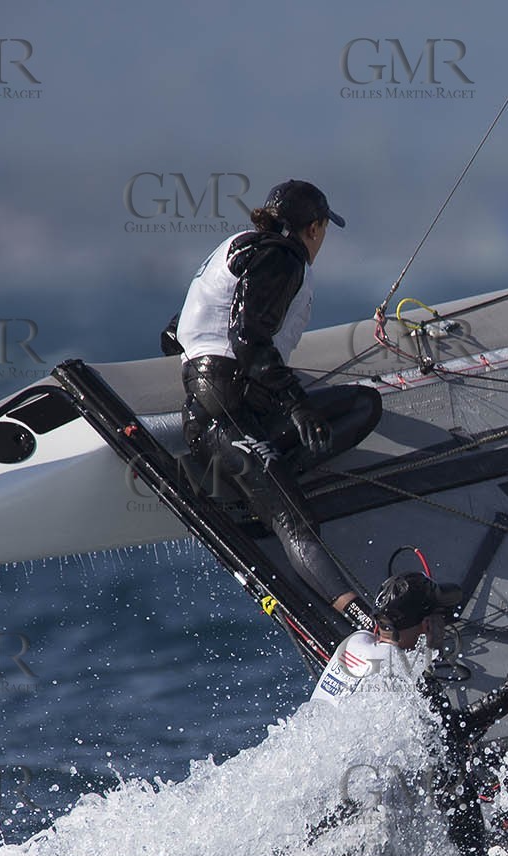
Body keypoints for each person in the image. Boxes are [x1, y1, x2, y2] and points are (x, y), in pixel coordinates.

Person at [169, 179, 385, 632]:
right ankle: (368, 624)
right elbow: (247, 339)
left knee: (363, 405)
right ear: (315, 227)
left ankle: (258, 478)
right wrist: (297, 404)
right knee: (295, 520)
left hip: (239, 401)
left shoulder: (240, 247)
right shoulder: (281, 257)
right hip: (222, 409)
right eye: (325, 230)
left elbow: (176, 332)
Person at [311, 571, 508, 856]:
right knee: (451, 770)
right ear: (425, 625)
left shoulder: (357, 643)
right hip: (359, 835)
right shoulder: (409, 677)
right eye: (441, 617)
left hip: (318, 814)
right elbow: (455, 733)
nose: (445, 625)